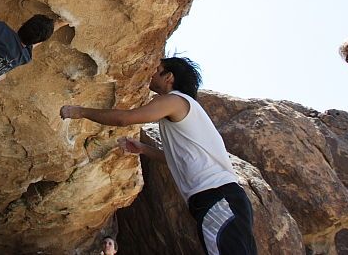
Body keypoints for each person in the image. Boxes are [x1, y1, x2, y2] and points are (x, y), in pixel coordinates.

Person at [60, 57, 257, 255]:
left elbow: (123, 119)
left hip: (217, 199)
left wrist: (80, 111)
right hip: (221, 199)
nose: (151, 72)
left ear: (168, 77)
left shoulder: (175, 101)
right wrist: (144, 149)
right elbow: (178, 159)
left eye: (157, 69)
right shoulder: (186, 111)